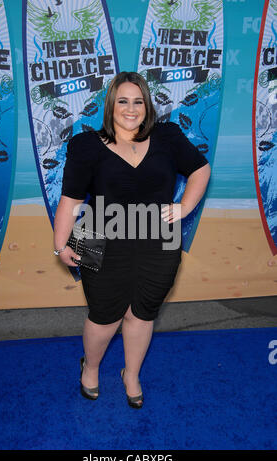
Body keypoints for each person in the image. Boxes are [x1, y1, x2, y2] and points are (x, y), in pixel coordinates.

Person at [53, 71, 211, 408]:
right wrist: (60, 244)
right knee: (104, 314)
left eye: (138, 101)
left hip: (159, 239)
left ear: (147, 105)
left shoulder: (167, 136)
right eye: (123, 100)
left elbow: (200, 169)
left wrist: (184, 207)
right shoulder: (86, 145)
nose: (131, 108)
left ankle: (132, 374)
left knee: (142, 313)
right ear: (111, 105)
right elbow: (70, 200)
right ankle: (91, 368)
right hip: (98, 234)